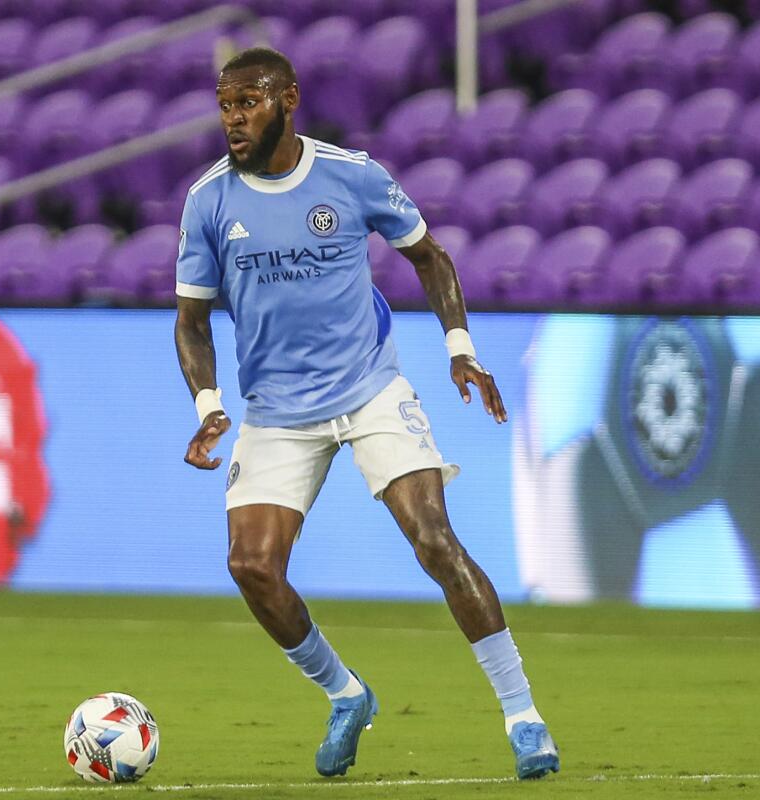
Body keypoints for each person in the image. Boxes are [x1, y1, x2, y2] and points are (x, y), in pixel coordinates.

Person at [172, 47, 560, 780]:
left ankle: (523, 717)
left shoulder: (352, 175)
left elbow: (431, 258)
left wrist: (459, 348)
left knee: (435, 540)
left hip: (370, 390)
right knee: (251, 566)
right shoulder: (209, 201)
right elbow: (191, 321)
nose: (233, 119)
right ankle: (346, 695)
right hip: (276, 409)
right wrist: (210, 406)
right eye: (225, 105)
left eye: (248, 102)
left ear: (288, 97)